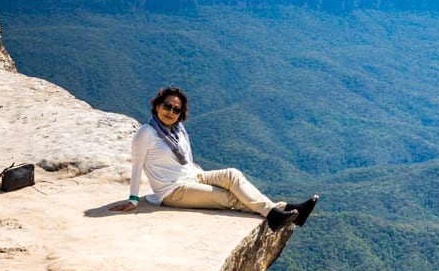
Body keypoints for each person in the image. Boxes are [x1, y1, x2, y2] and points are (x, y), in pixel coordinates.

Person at [109, 86, 317, 231]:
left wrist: (196, 174)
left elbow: (186, 158)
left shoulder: (177, 130)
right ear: (157, 106)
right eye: (167, 106)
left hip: (192, 176)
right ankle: (279, 212)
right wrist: (133, 200)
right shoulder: (146, 133)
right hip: (172, 190)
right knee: (229, 198)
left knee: (232, 176)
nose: (170, 111)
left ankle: (285, 211)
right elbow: (137, 165)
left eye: (176, 109)